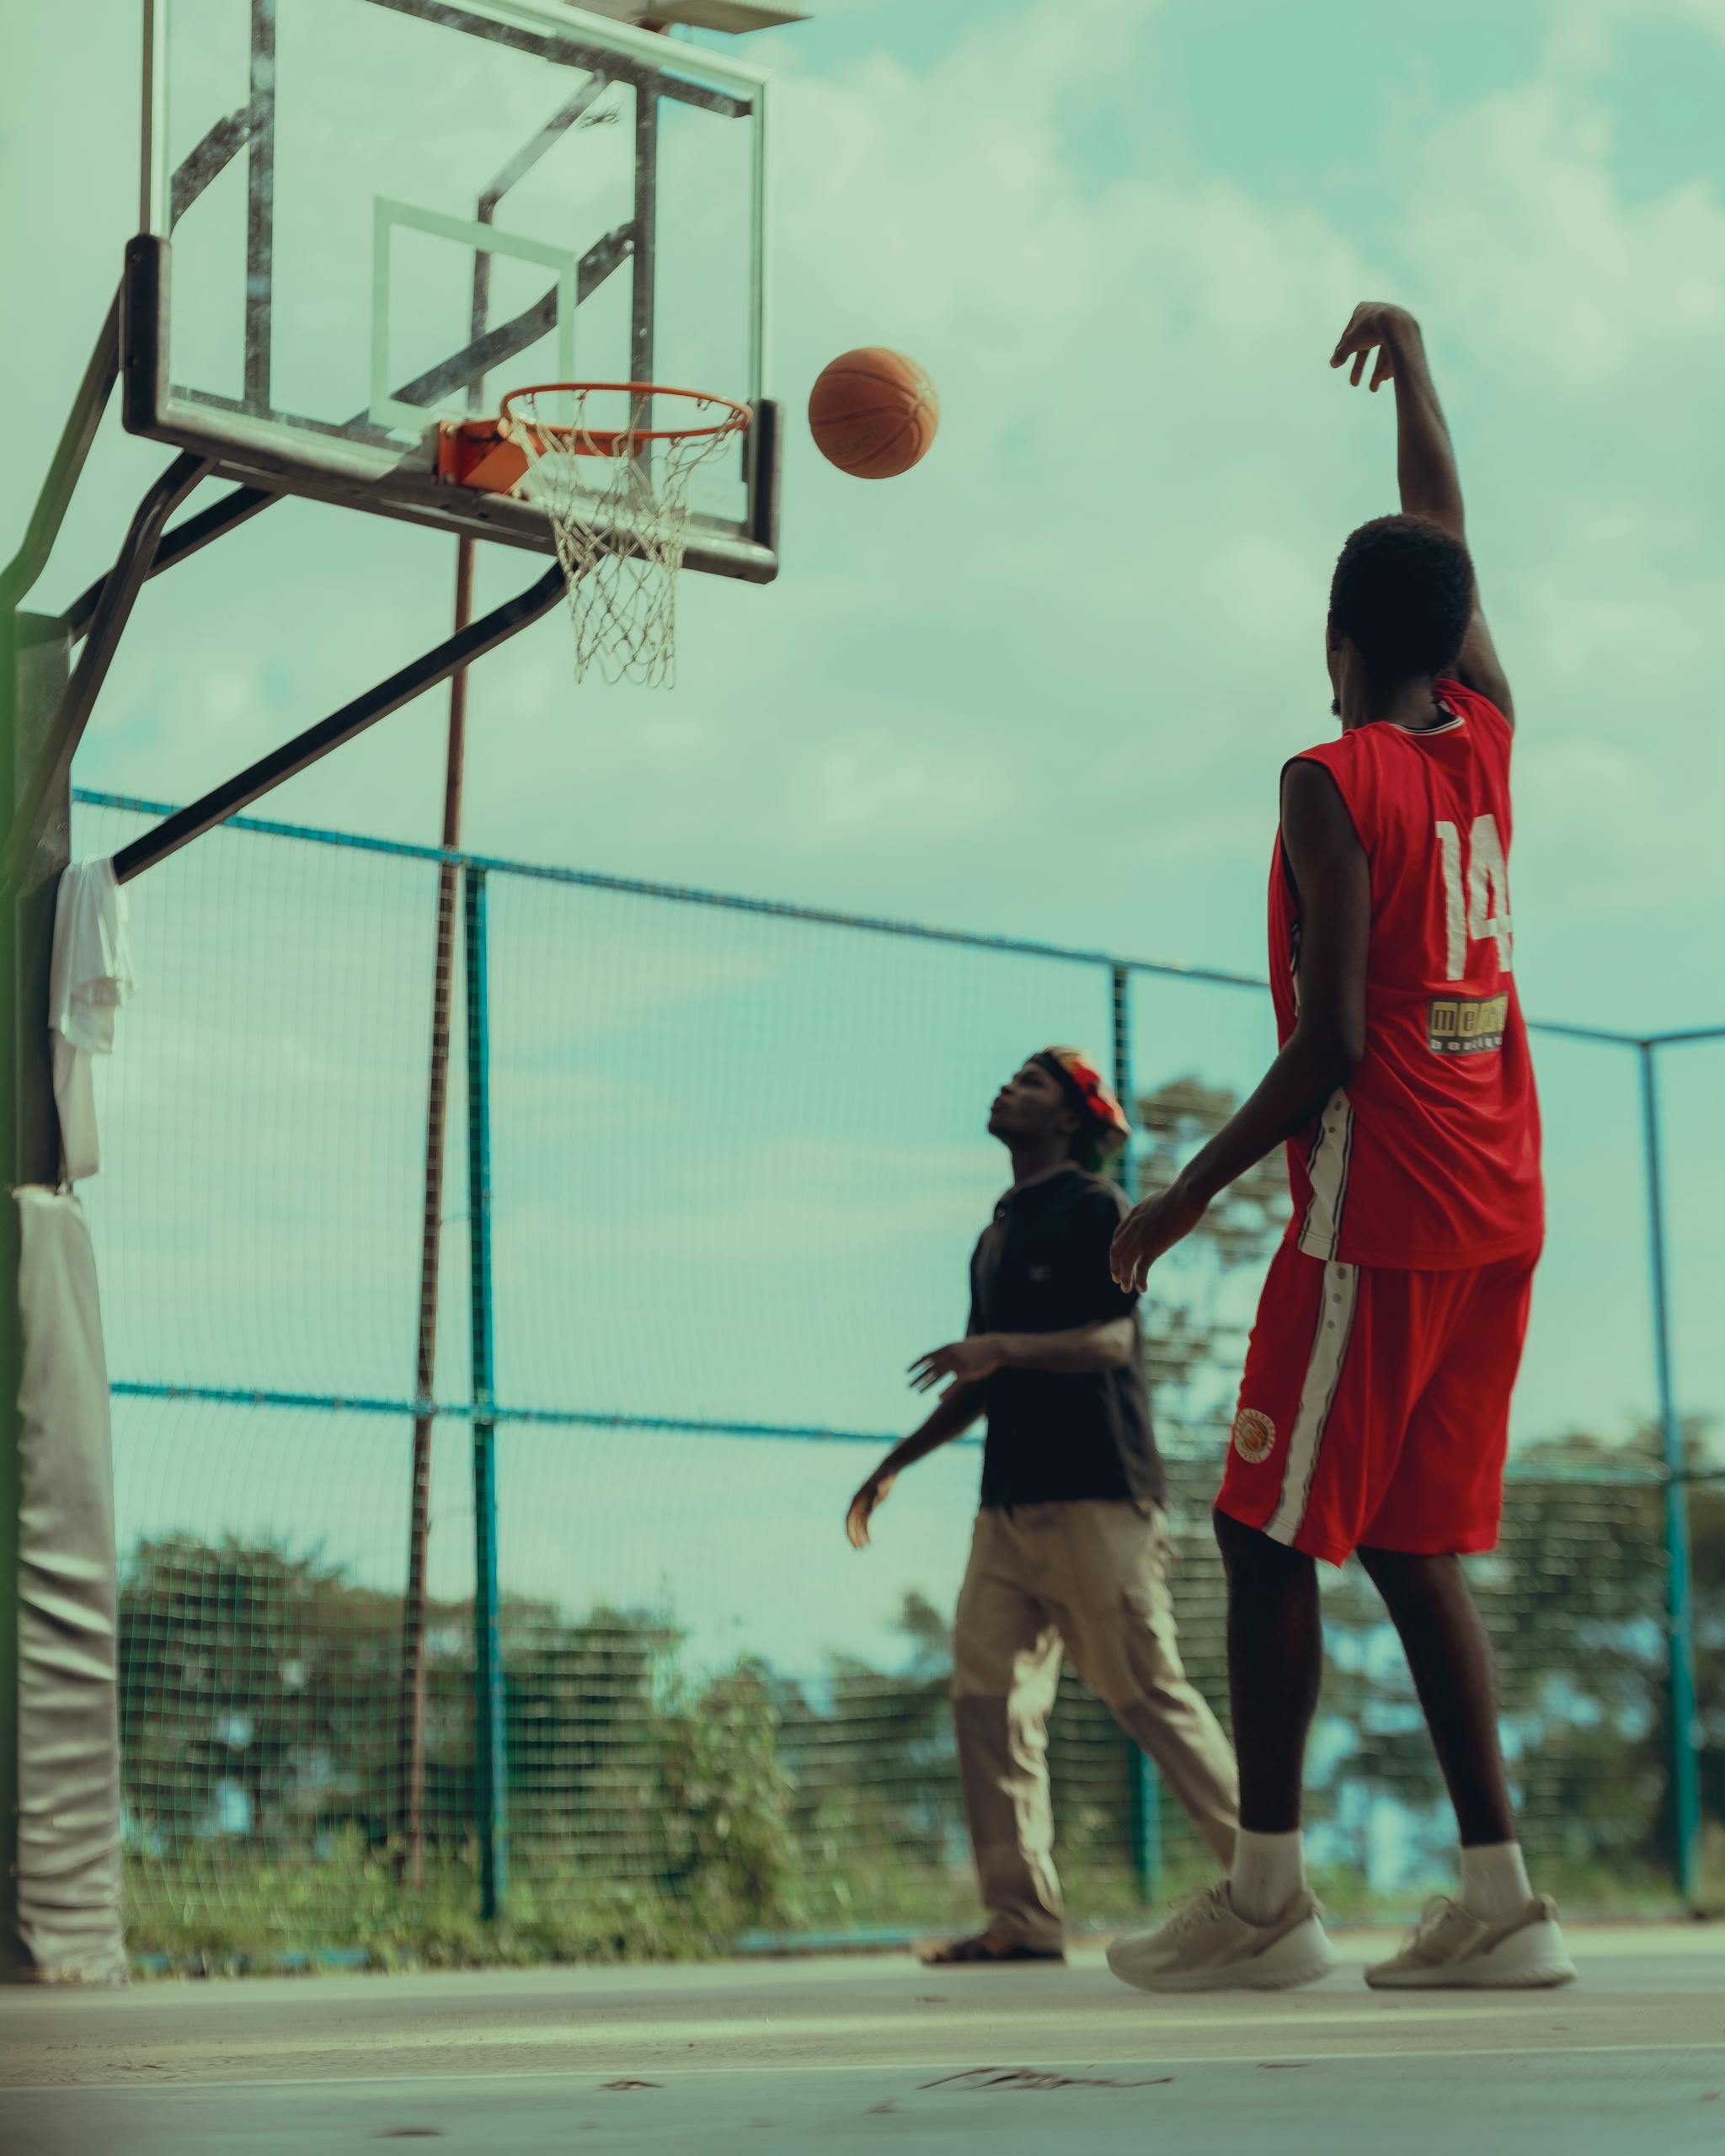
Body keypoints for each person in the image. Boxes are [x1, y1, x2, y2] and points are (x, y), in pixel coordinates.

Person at [1104, 302, 1573, 1994]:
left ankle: (1268, 1900)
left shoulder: (1329, 775)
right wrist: (1423, 365)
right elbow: (1444, 539)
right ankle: (1502, 1894)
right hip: (1501, 1193)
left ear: (1331, 637)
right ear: (1455, 639)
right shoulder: (1486, 739)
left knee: (1255, 1526)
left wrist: (1178, 1193)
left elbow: (1333, 1043)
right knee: (1397, 1535)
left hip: (1379, 1206)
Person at [846, 1049, 1238, 1965]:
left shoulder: (1095, 1209)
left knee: (1147, 1694)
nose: (1002, 1089)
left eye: (1028, 1084)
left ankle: (1268, 1884)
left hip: (1099, 1498)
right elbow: (983, 1372)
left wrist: (1000, 1350)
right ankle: (1021, 1920)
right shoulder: (996, 1230)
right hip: (1007, 1513)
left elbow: (1108, 1341)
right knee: (986, 1704)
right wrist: (894, 1463)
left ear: (1069, 1120)